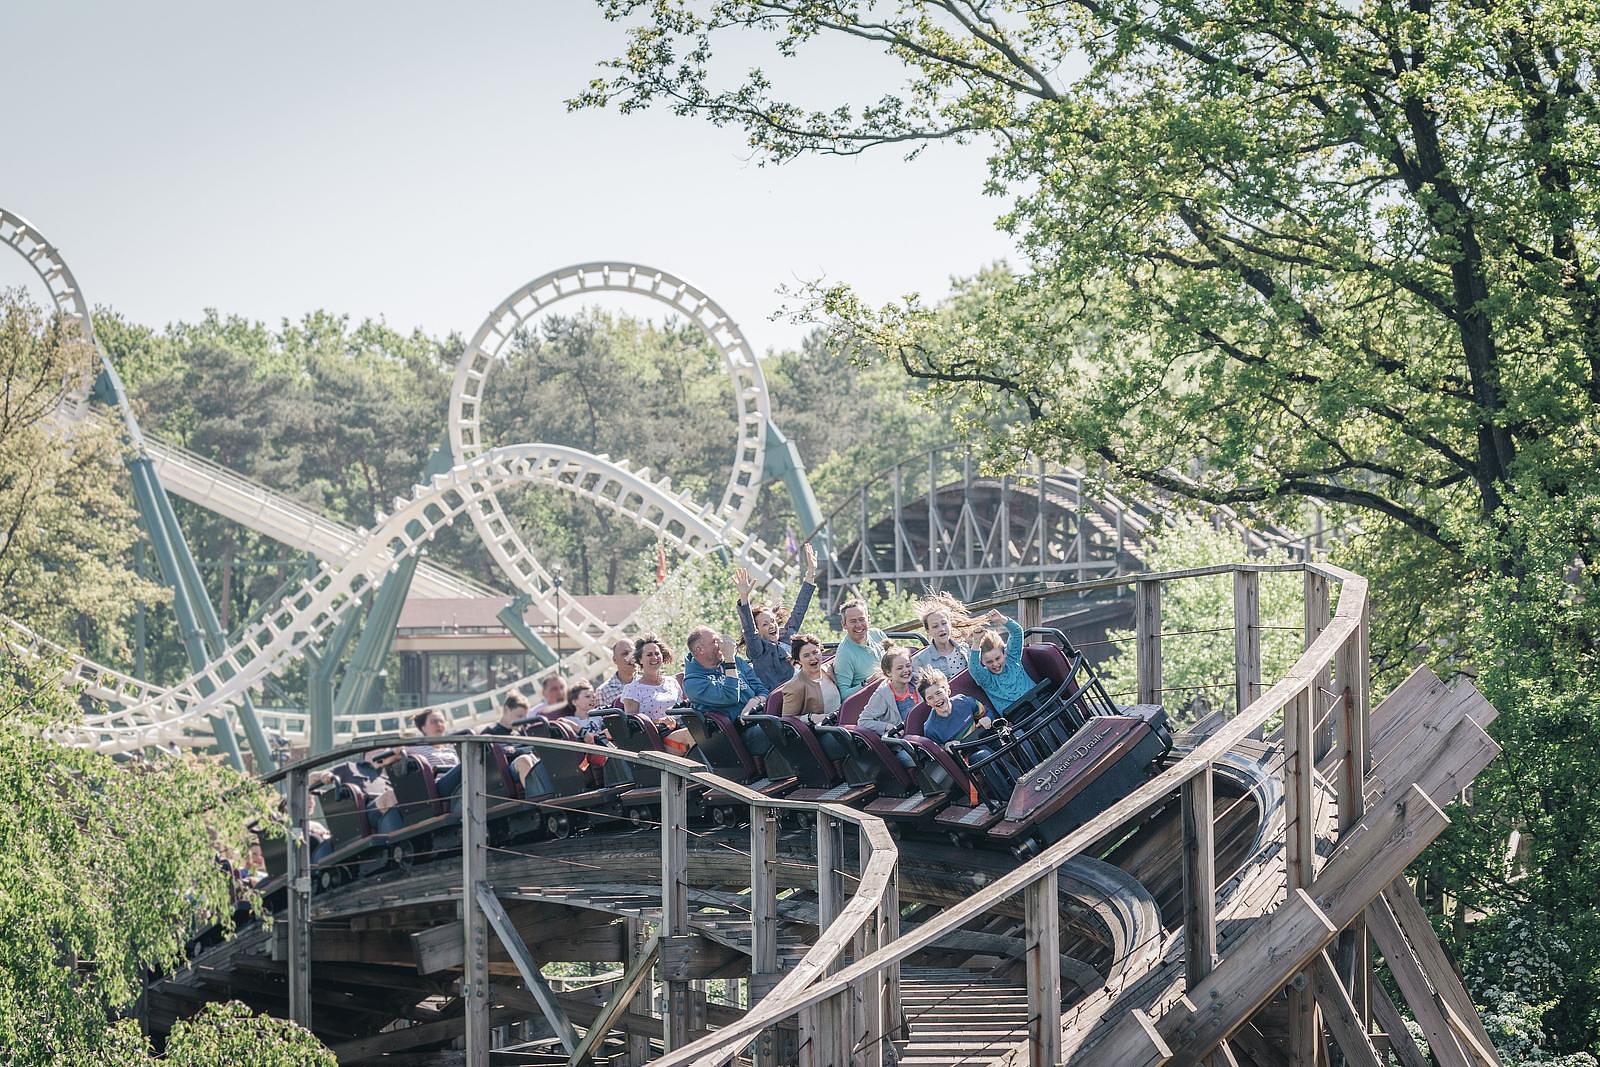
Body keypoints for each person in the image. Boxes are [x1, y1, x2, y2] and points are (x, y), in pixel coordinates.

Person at [734, 543, 818, 691]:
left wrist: (810, 572)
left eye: (772, 621)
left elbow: (799, 610)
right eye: (765, 624)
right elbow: (749, 630)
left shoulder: (787, 638)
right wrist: (744, 598)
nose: (772, 625)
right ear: (758, 630)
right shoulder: (758, 650)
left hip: (801, 689)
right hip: (777, 698)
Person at [682, 625, 772, 758]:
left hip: (759, 717)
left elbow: (762, 690)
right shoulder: (693, 682)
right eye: (714, 641)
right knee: (779, 733)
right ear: (699, 650)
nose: (721, 645)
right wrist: (730, 660)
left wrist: (755, 701)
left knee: (797, 722)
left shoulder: (737, 662)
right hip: (737, 736)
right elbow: (730, 696)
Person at [621, 634, 692, 752]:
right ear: (640, 660)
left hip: (679, 727)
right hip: (657, 739)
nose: (654, 657)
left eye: (657, 653)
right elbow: (632, 725)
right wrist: (658, 721)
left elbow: (680, 710)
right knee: (690, 735)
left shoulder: (672, 682)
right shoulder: (633, 688)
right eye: (649, 655)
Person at [968, 608, 1036, 716]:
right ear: (982, 662)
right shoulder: (987, 679)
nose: (995, 664)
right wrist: (976, 642)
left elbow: (1017, 632)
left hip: (1039, 700)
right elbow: (974, 668)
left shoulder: (1012, 660)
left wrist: (1001, 619)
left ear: (1004, 653)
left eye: (998, 658)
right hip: (1019, 716)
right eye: (989, 662)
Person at [916, 669, 993, 746]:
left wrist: (987, 718)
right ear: (927, 703)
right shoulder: (930, 729)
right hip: (966, 753)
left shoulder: (964, 701)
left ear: (947, 691)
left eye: (938, 693)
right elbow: (938, 752)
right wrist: (946, 747)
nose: (936, 699)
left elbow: (987, 712)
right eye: (930, 698)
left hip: (982, 740)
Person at [911, 593, 977, 682]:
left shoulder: (965, 649)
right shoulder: (919, 660)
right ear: (928, 631)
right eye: (935, 626)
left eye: (944, 623)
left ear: (950, 624)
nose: (941, 629)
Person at [780, 634, 841, 724]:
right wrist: (810, 717)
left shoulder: (829, 670)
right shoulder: (794, 686)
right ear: (799, 660)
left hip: (841, 721)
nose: (813, 658)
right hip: (821, 731)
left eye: (815, 652)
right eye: (806, 655)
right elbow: (787, 720)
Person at [833, 599, 887, 698]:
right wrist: (868, 682)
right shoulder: (844, 654)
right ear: (844, 625)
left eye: (862, 619)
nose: (858, 625)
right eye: (853, 621)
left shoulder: (878, 634)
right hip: (871, 701)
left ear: (869, 619)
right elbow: (843, 695)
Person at [595, 639, 637, 706]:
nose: (631, 657)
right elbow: (603, 716)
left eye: (633, 653)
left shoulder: (647, 683)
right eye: (625, 653)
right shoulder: (603, 691)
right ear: (615, 659)